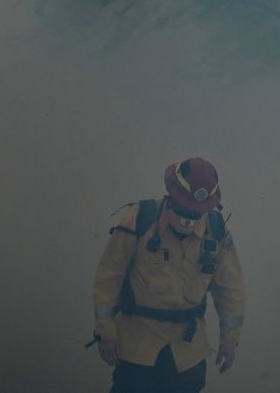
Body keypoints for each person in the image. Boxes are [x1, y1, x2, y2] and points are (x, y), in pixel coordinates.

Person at [91, 157, 245, 393]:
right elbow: (109, 275)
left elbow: (230, 289)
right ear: (171, 197)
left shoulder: (217, 232)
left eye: (197, 214)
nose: (189, 221)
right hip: (137, 351)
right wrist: (106, 331)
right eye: (184, 209)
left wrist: (230, 339)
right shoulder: (139, 219)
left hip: (188, 356)